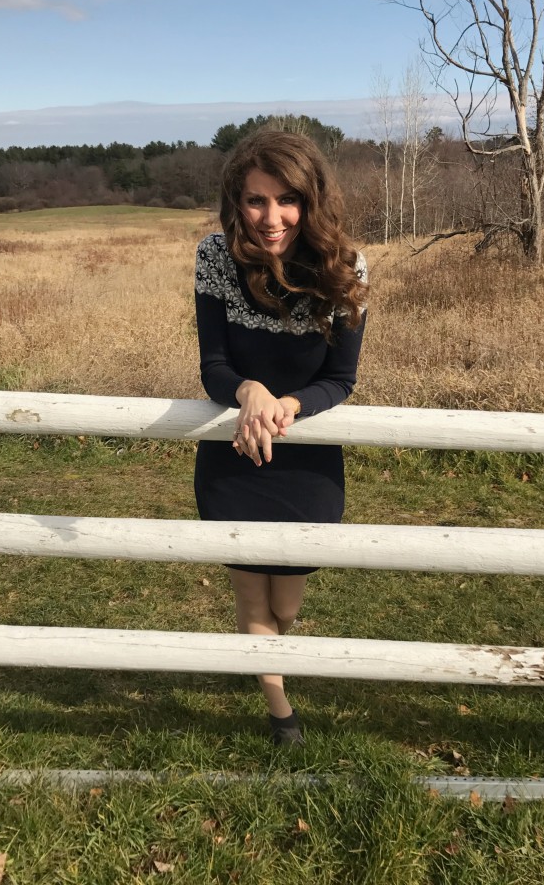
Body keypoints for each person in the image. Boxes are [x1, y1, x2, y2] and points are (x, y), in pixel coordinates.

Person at [194, 129, 367, 746]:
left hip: (307, 460)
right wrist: (249, 392)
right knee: (252, 601)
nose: (271, 218)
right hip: (234, 454)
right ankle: (280, 711)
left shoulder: (345, 267)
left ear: (310, 200)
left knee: (286, 606)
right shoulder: (216, 258)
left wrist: (288, 403)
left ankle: (267, 656)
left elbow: (341, 380)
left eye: (286, 200)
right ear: (235, 202)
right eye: (255, 200)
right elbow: (214, 365)